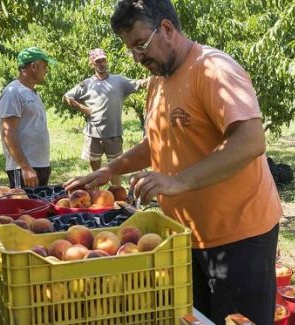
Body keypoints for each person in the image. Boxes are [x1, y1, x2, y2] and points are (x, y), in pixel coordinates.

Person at [65, 1, 283, 324]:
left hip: (239, 239)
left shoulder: (213, 69)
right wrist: (111, 169)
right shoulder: (158, 82)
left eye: (141, 44)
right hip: (186, 238)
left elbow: (250, 141)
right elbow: (156, 143)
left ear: (166, 29)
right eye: (130, 49)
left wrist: (178, 181)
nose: (137, 57)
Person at [62, 48, 147, 186]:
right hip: (93, 135)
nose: (101, 63)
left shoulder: (119, 81)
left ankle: (116, 195)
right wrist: (83, 108)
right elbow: (67, 96)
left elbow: (140, 83)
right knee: (94, 172)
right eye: (97, 61)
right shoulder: (87, 84)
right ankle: (95, 196)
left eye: (103, 60)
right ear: (92, 64)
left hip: (113, 134)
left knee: (116, 170)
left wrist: (155, 79)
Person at [0, 47, 56, 188]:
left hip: (40, 164)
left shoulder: (32, 93)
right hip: (24, 168)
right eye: (44, 66)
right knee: (25, 209)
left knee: (40, 207)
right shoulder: (13, 93)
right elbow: (8, 133)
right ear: (33, 66)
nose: (46, 70)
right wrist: (25, 167)